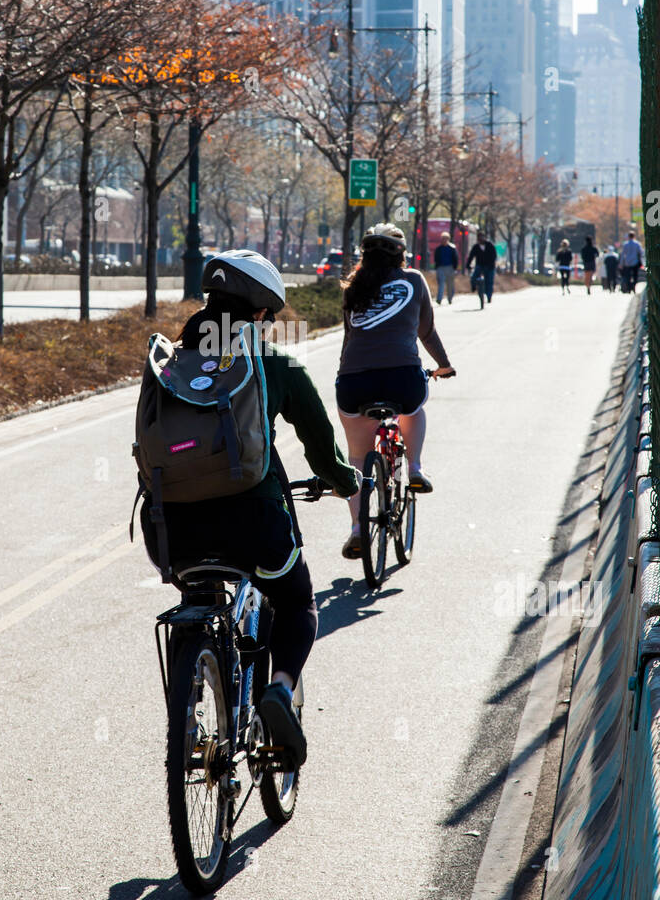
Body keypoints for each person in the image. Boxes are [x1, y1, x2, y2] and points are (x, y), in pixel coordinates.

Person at [138, 250, 357, 767]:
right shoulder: (272, 362)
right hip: (251, 521)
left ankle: (187, 718)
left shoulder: (168, 363)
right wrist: (345, 481)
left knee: (198, 597)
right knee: (297, 599)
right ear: (260, 312)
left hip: (172, 530)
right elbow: (321, 446)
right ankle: (279, 690)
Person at [335, 224, 455, 560]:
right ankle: (414, 468)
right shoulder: (414, 280)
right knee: (413, 409)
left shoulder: (352, 288)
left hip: (353, 383)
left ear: (364, 256)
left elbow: (350, 339)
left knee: (357, 457)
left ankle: (358, 529)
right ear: (401, 255)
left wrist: (346, 374)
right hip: (402, 379)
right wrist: (443, 365)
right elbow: (426, 332)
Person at [466, 233, 497, 306]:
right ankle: (474, 287)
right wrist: (468, 265)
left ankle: (489, 296)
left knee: (489, 282)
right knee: (473, 277)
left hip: (490, 266)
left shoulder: (490, 245)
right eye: (479, 237)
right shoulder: (476, 247)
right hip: (479, 266)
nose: (481, 239)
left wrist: (491, 265)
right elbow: (471, 256)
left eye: (482, 237)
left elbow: (494, 256)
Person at [434, 231, 459, 305]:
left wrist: (455, 268)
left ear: (448, 239)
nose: (444, 240)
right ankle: (439, 299)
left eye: (445, 238)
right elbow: (436, 258)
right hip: (441, 268)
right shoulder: (438, 249)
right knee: (441, 284)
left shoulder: (452, 248)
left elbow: (456, 259)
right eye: (443, 238)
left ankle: (450, 298)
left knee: (450, 284)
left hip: (450, 268)